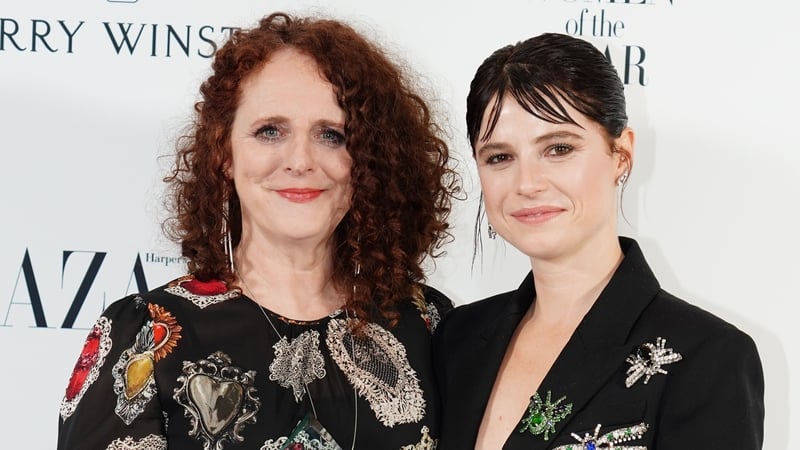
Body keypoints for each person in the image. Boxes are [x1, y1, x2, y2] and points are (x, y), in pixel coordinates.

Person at [57, 12, 459, 450]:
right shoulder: (143, 336)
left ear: (370, 162)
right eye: (270, 131)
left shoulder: (428, 324)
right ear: (224, 154)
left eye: (332, 135)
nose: (301, 160)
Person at [433, 32, 764, 449]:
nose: (527, 183)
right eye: (500, 157)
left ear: (620, 155)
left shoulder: (707, 356)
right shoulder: (457, 338)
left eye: (558, 148)